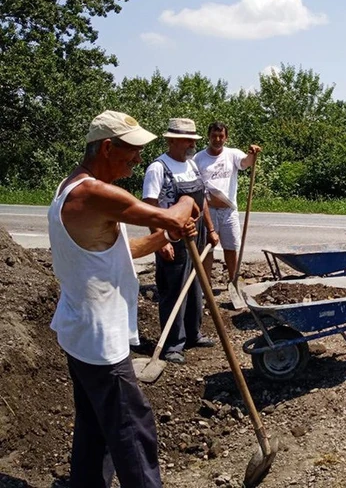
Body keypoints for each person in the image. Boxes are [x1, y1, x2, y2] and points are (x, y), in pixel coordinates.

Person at [48, 110, 199, 487]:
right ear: (106, 147)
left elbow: (113, 250)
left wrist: (164, 237)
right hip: (100, 339)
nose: (136, 161)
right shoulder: (95, 192)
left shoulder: (70, 188)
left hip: (79, 329)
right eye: (130, 152)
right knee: (133, 427)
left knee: (94, 427)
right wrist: (185, 203)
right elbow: (176, 216)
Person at [142, 118, 219, 364]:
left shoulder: (191, 166)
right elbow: (150, 207)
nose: (190, 145)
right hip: (171, 235)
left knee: (196, 285)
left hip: (197, 233)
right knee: (174, 290)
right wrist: (160, 240)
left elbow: (203, 200)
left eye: (192, 140)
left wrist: (210, 227)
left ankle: (193, 334)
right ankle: (173, 344)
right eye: (186, 140)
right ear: (172, 140)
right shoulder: (158, 168)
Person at [193, 121, 261, 285]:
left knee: (231, 248)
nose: (217, 139)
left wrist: (252, 154)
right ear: (208, 137)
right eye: (214, 136)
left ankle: (234, 282)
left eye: (221, 136)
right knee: (208, 249)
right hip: (208, 211)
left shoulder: (232, 154)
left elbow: (246, 163)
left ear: (226, 137)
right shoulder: (198, 158)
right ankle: (206, 286)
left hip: (229, 211)